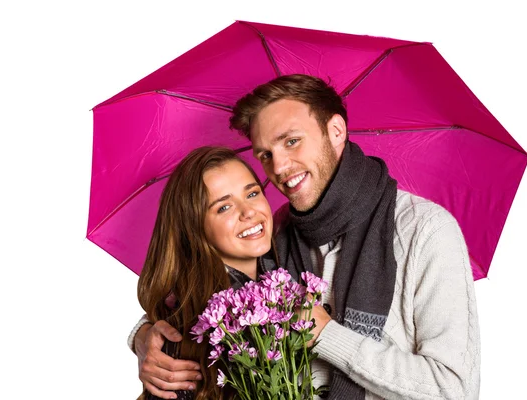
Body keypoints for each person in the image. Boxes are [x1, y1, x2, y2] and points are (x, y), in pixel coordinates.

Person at [129, 74, 481, 399]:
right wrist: (144, 337)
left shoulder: (423, 231)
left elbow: (453, 389)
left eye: (292, 142)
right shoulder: (277, 233)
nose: (279, 168)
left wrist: (328, 335)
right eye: (266, 154)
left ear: (337, 131)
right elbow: (215, 294)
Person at [135, 146, 276, 399]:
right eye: (224, 207)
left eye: (253, 193)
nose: (249, 212)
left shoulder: (288, 268)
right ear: (195, 228)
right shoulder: (187, 334)